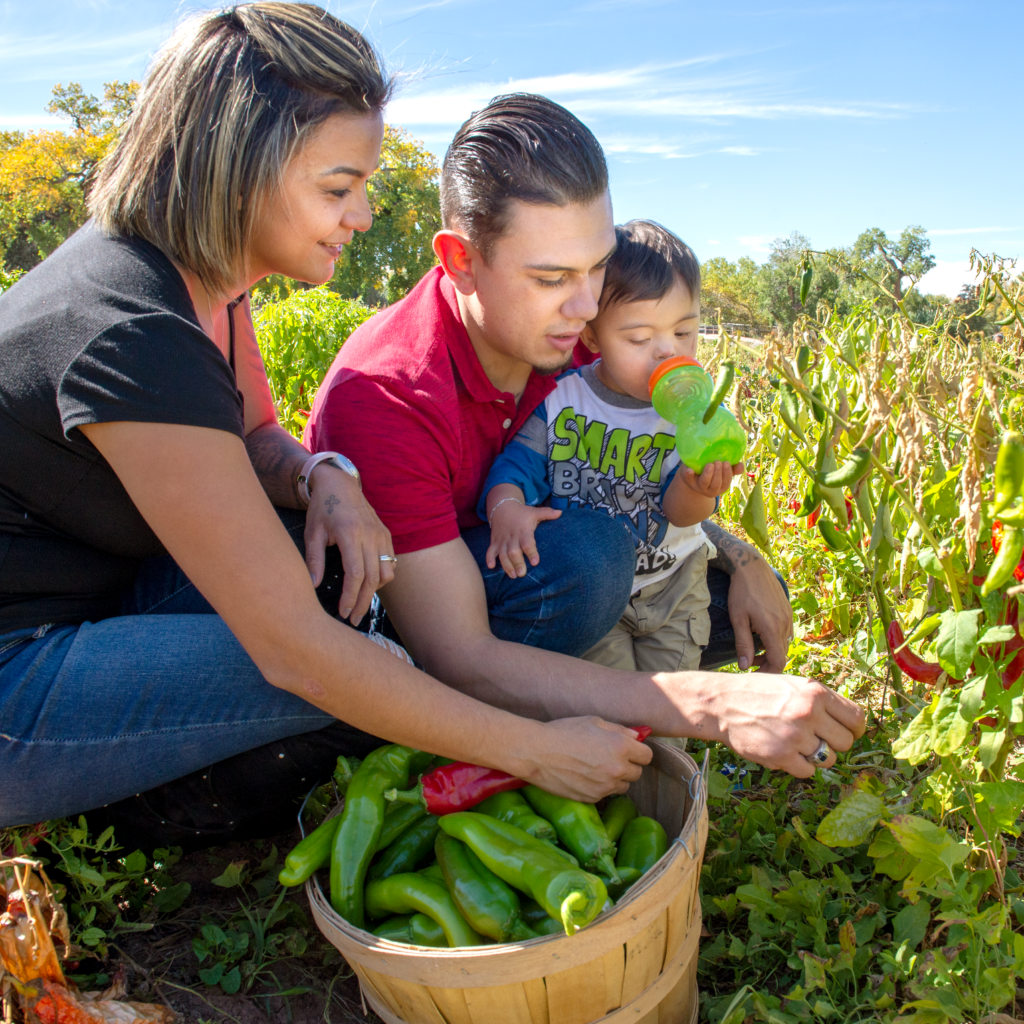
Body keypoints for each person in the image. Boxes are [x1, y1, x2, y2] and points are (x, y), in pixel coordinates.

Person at [0, 4, 654, 846]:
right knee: (357, 659)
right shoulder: (132, 328)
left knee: (345, 581)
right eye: (338, 188)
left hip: (107, 594)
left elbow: (258, 439)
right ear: (234, 169)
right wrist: (533, 750)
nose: (364, 214)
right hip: (21, 674)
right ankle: (141, 808)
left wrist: (323, 478)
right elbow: (295, 652)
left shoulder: (206, 286)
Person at [304, 94, 865, 776]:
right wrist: (710, 703)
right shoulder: (387, 393)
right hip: (422, 625)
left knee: (715, 602)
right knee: (592, 558)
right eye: (551, 278)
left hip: (537, 573)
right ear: (460, 261)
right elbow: (457, 653)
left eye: (598, 266)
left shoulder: (573, 335)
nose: (587, 305)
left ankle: (592, 696)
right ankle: (464, 741)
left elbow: (638, 471)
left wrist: (742, 560)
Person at [480, 219, 739, 674]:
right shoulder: (563, 399)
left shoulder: (692, 416)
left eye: (684, 333)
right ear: (592, 336)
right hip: (599, 594)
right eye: (639, 339)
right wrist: (507, 508)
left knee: (675, 704)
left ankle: (670, 749)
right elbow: (514, 467)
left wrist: (700, 487)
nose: (667, 352)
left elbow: (680, 514)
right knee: (615, 703)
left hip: (673, 583)